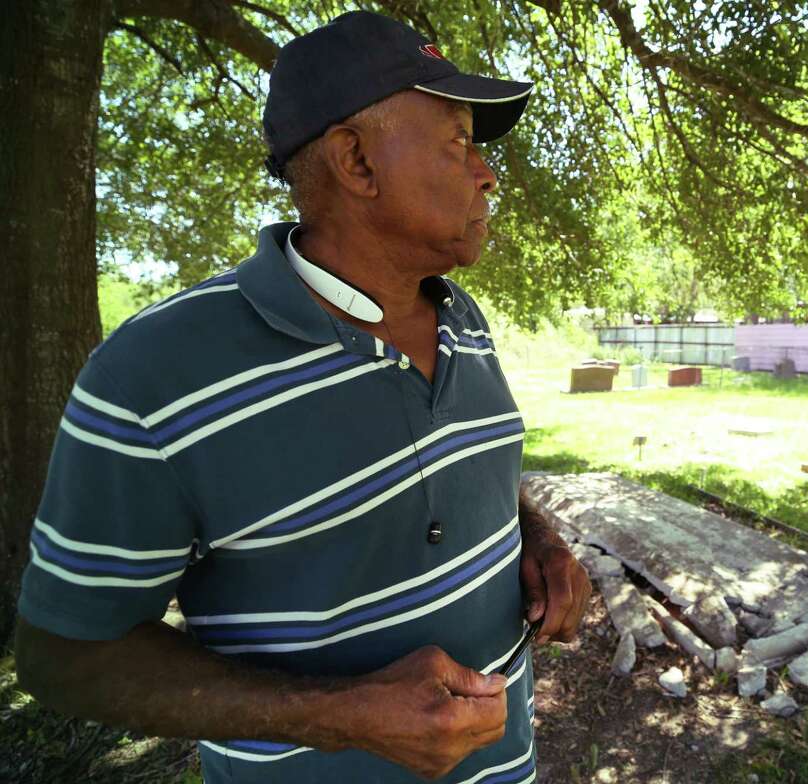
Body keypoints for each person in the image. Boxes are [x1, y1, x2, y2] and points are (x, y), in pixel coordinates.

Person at [13, 11, 590, 783]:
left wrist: (540, 541)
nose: (486, 171)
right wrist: (335, 714)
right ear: (355, 161)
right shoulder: (151, 376)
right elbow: (62, 656)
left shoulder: (466, 321)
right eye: (457, 139)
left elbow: (469, 471)